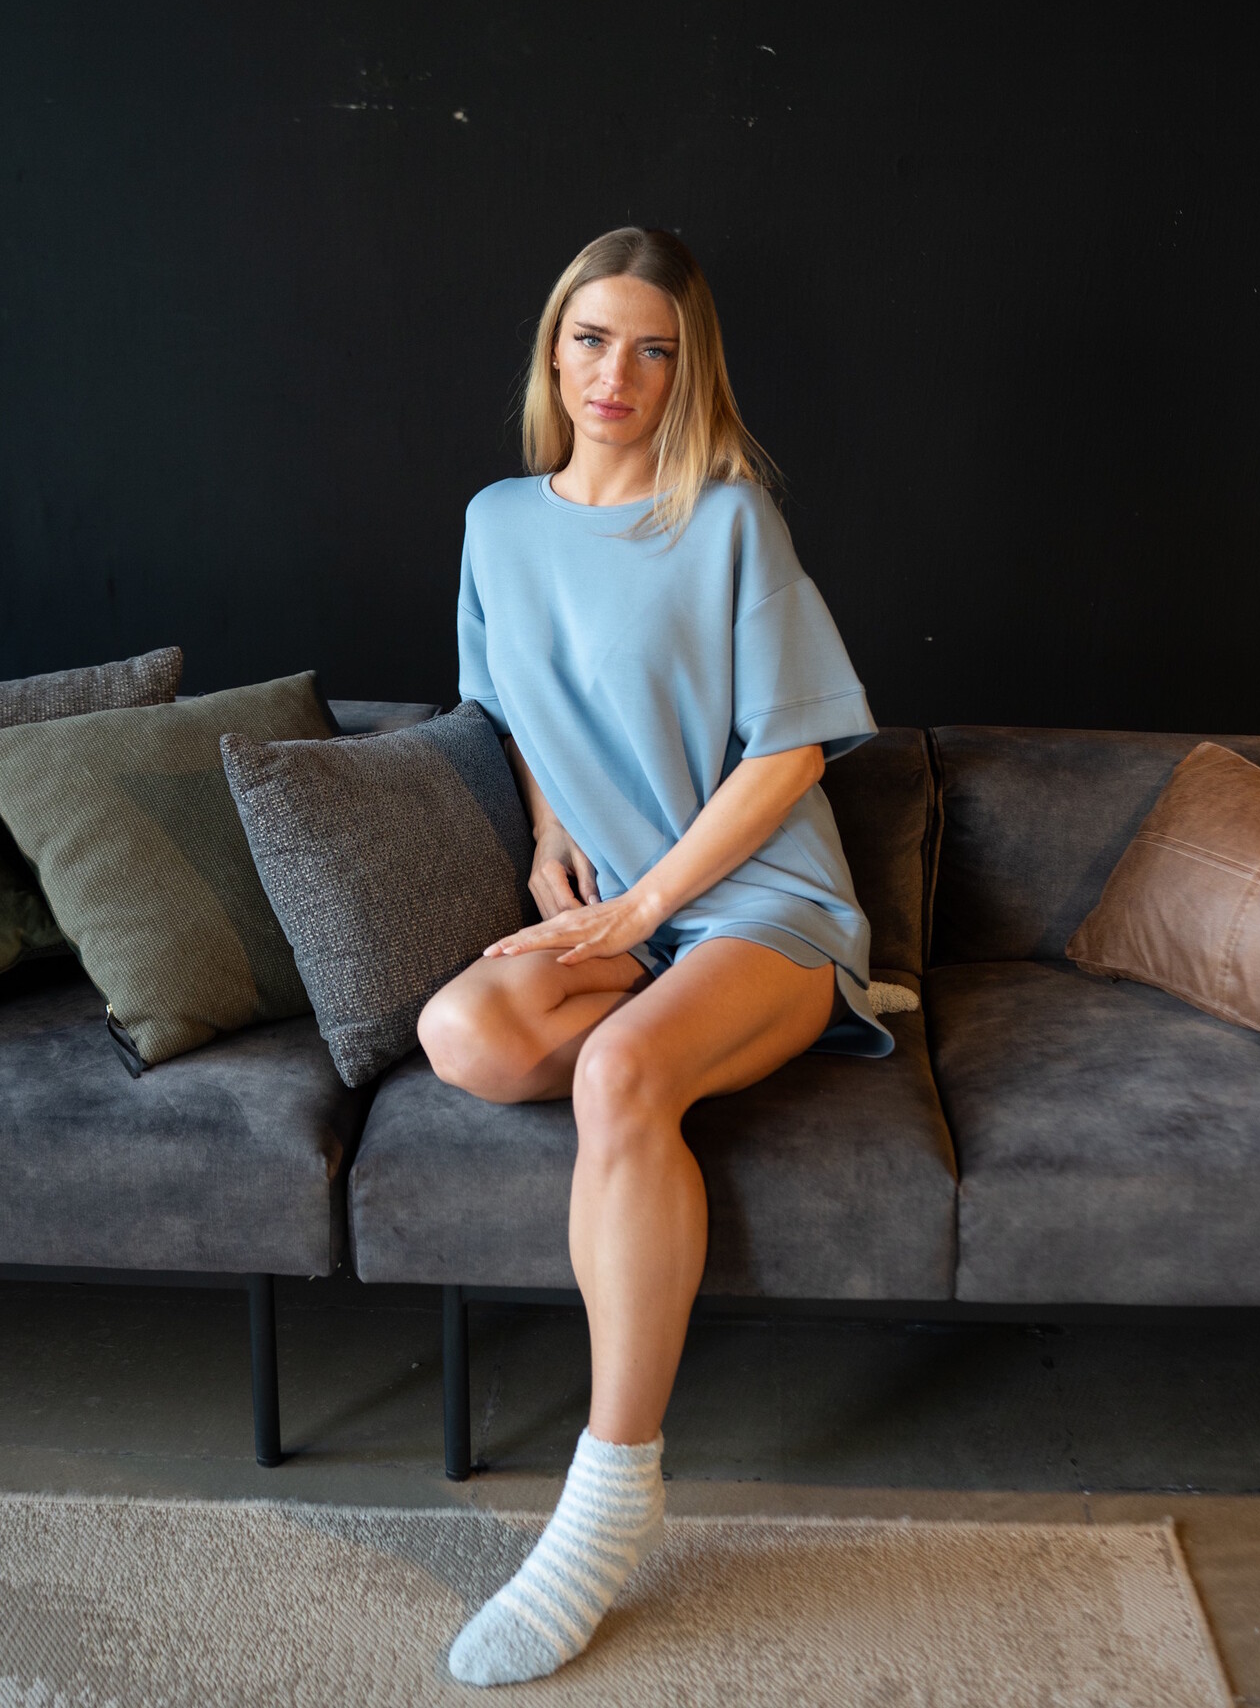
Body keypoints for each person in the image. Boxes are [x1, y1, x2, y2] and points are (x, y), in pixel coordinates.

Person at [419, 226, 892, 1687]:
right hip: (629, 908)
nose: (612, 373)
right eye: (589, 338)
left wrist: (640, 917)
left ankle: (609, 1496)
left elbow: (791, 751)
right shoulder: (498, 522)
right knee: (465, 1034)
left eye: (651, 349)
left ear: (689, 373)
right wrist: (551, 837)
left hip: (758, 899)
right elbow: (515, 704)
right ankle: (697, 1036)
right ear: (552, 350)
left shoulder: (728, 520)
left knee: (620, 1074)